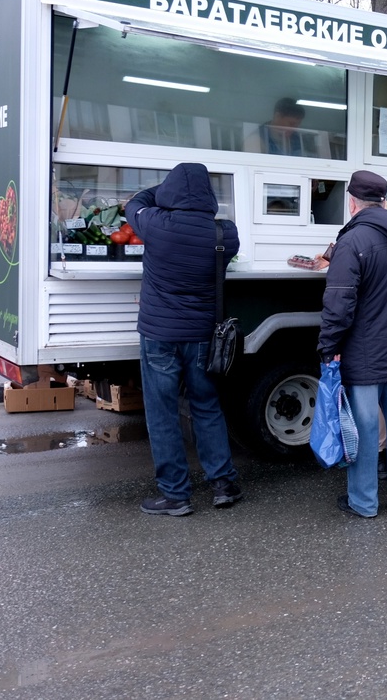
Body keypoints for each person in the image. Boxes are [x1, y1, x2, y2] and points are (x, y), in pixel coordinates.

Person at [126, 163, 242, 516]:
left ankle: (176, 495)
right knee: (205, 406)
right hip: (202, 336)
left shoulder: (157, 225)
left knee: (163, 413)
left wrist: (160, 191)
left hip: (160, 336)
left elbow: (134, 203)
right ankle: (223, 484)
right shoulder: (225, 234)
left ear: (170, 192)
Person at [319, 170, 387, 518]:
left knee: (364, 430)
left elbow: (339, 302)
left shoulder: (352, 242)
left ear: (352, 202)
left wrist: (328, 345)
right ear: (383, 199)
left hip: (362, 353)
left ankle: (363, 503)